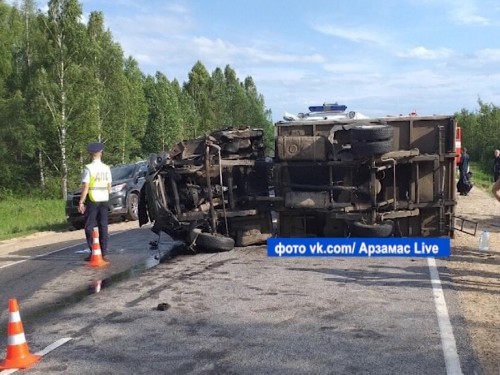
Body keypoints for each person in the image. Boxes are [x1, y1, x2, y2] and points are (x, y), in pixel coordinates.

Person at [78, 142, 112, 260]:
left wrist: (81, 201)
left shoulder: (89, 168)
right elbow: (109, 186)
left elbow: (85, 186)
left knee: (89, 226)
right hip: (104, 199)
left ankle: (94, 251)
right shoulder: (106, 168)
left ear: (90, 154)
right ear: (101, 153)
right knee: (103, 225)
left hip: (93, 199)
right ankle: (103, 251)